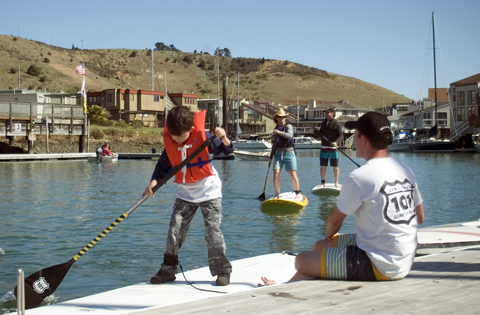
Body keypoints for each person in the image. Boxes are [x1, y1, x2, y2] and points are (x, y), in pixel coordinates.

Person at [260, 112, 424, 286]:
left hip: (379, 265)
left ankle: (283, 287)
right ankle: (288, 284)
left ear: (364, 140)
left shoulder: (360, 176)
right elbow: (419, 217)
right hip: (404, 259)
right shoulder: (405, 170)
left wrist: (329, 234)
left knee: (302, 260)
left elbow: (333, 222)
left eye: (356, 135)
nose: (353, 139)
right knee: (318, 246)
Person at [143, 106, 233, 286]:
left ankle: (222, 271)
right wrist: (153, 183)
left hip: (210, 193)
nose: (177, 140)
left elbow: (228, 150)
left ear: (191, 130)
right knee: (174, 231)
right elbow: (161, 169)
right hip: (185, 194)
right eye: (174, 137)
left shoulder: (205, 138)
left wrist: (223, 137)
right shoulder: (171, 144)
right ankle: (168, 270)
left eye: (181, 137)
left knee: (212, 233)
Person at [271, 108, 301, 200]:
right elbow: (274, 143)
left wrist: (279, 132)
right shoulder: (275, 128)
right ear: (277, 118)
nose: (282, 119)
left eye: (283, 117)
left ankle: (297, 192)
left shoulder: (288, 127)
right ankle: (277, 194)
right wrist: (271, 155)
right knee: (276, 173)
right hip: (278, 153)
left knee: (293, 173)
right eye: (280, 117)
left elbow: (289, 135)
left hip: (289, 152)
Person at [311, 107, 343, 188]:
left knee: (335, 166)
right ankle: (322, 183)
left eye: (328, 112)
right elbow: (321, 134)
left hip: (333, 149)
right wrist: (315, 131)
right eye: (326, 112)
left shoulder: (336, 123)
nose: (326, 114)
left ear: (332, 114)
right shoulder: (323, 123)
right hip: (324, 148)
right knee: (323, 166)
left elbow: (341, 135)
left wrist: (336, 142)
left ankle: (336, 183)